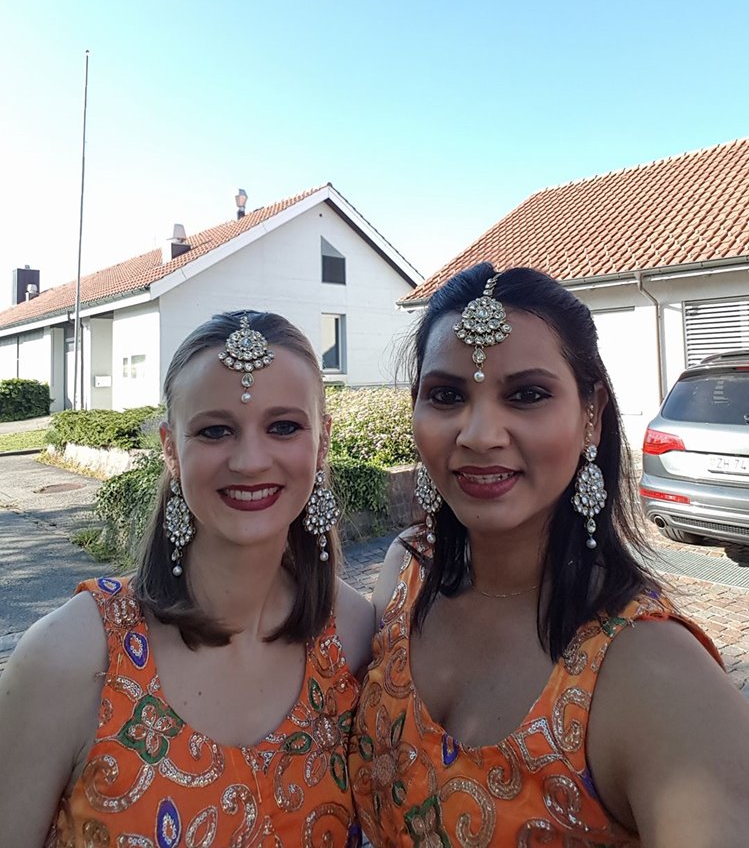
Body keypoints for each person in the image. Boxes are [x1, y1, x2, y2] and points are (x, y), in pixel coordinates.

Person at [349, 264, 749, 847]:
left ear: (592, 415)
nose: (479, 434)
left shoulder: (656, 673)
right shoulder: (406, 572)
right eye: (446, 396)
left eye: (527, 395)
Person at [0, 310, 374, 847]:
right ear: (171, 449)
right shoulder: (69, 657)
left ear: (322, 443)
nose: (250, 460)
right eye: (215, 430)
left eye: (284, 427)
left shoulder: (352, 634)